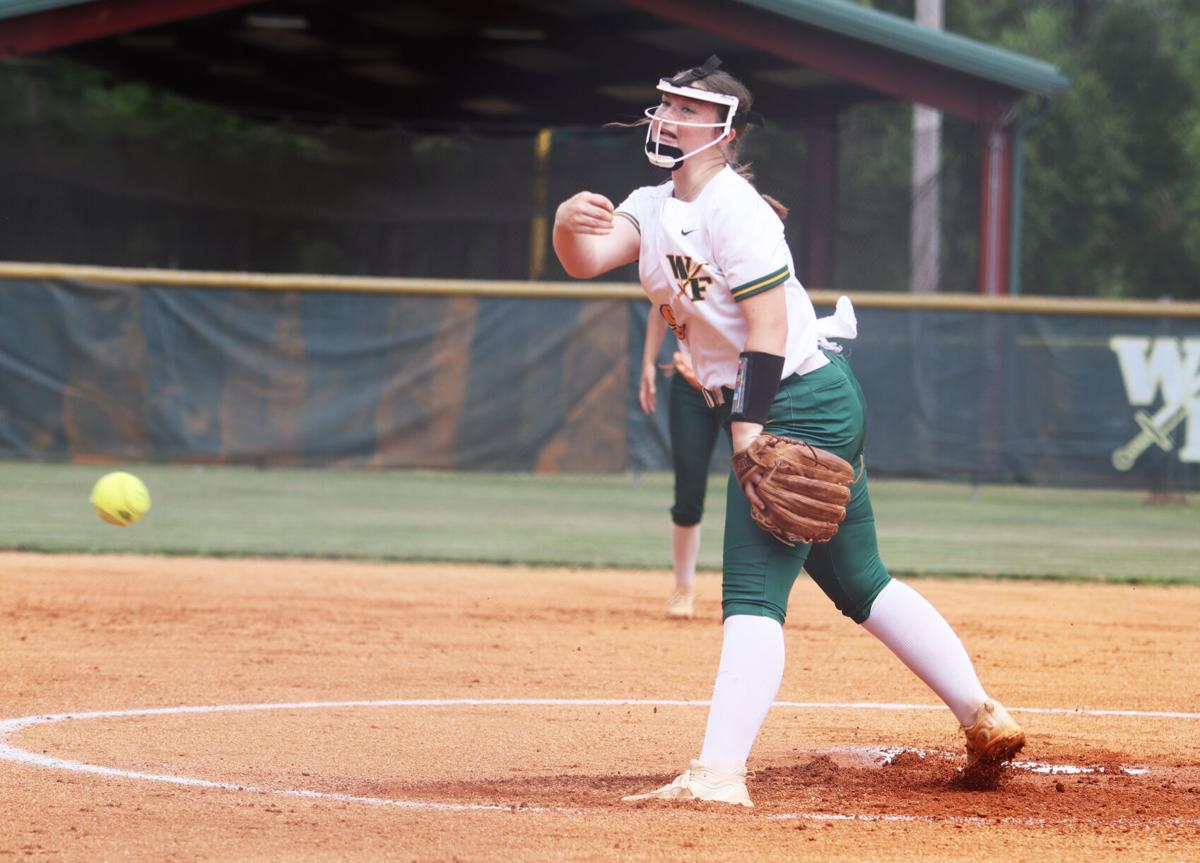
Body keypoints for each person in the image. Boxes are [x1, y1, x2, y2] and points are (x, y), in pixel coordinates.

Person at [552, 55, 1025, 808]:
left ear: (723, 130)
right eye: (664, 103)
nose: (666, 116)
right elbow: (588, 257)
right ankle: (983, 714)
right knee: (859, 579)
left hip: (793, 398)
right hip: (800, 397)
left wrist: (747, 429)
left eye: (685, 108)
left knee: (749, 587)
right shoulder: (648, 203)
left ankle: (718, 772)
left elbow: (768, 329)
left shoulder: (735, 207)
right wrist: (565, 226)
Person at [639, 310, 729, 619]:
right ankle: (683, 588)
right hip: (690, 386)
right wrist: (648, 363)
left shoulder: (741, 262)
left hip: (740, 382)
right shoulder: (677, 263)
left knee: (758, 485)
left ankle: (755, 593)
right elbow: (657, 305)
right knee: (688, 488)